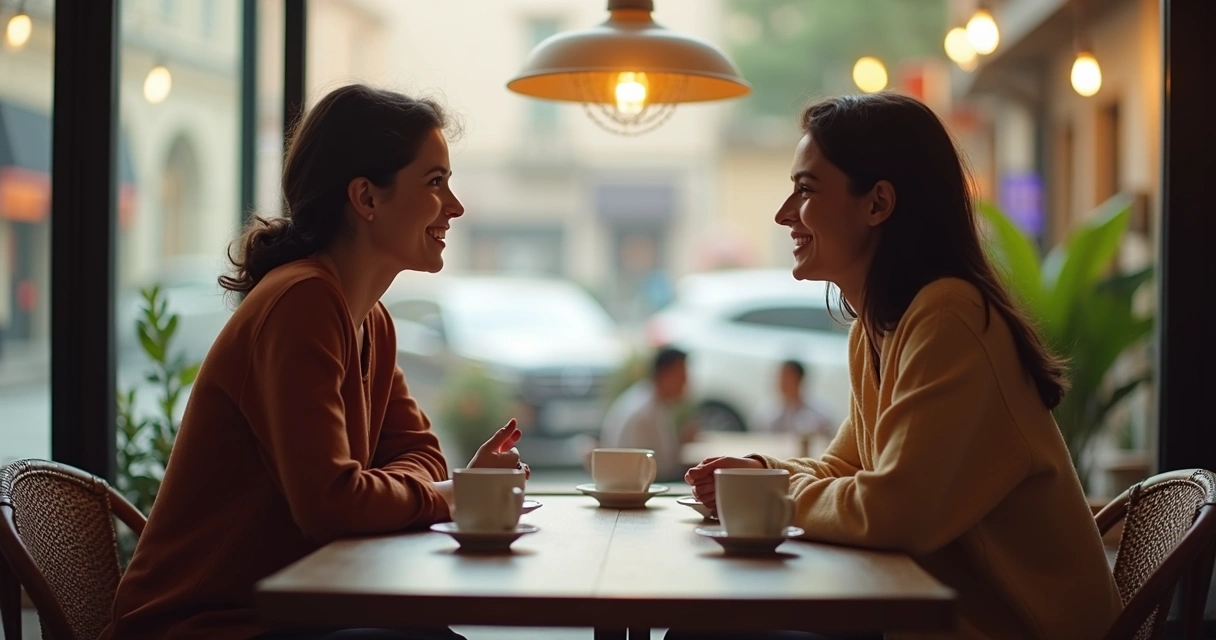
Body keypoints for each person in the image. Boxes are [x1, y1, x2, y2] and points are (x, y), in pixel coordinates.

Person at [680, 93, 1121, 640]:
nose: (784, 213)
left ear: (878, 203)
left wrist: (771, 493)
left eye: (806, 190)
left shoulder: (948, 316)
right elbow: (847, 470)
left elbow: (892, 514)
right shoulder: (880, 328)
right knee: (708, 627)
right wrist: (759, 473)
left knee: (707, 632)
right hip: (925, 620)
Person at [102, 84, 529, 640]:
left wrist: (418, 491)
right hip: (201, 626)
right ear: (366, 198)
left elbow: (421, 455)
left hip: (290, 611)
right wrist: (449, 496)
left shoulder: (371, 320)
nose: (455, 206)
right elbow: (331, 504)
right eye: (434, 182)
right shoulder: (301, 302)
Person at [600, 346, 697, 483]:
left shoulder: (648, 400)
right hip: (641, 485)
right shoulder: (644, 413)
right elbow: (655, 470)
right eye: (682, 376)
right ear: (665, 374)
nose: (686, 383)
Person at [750, 360, 834, 441]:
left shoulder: (820, 412)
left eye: (787, 377)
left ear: (800, 379)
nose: (782, 382)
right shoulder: (766, 412)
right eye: (780, 377)